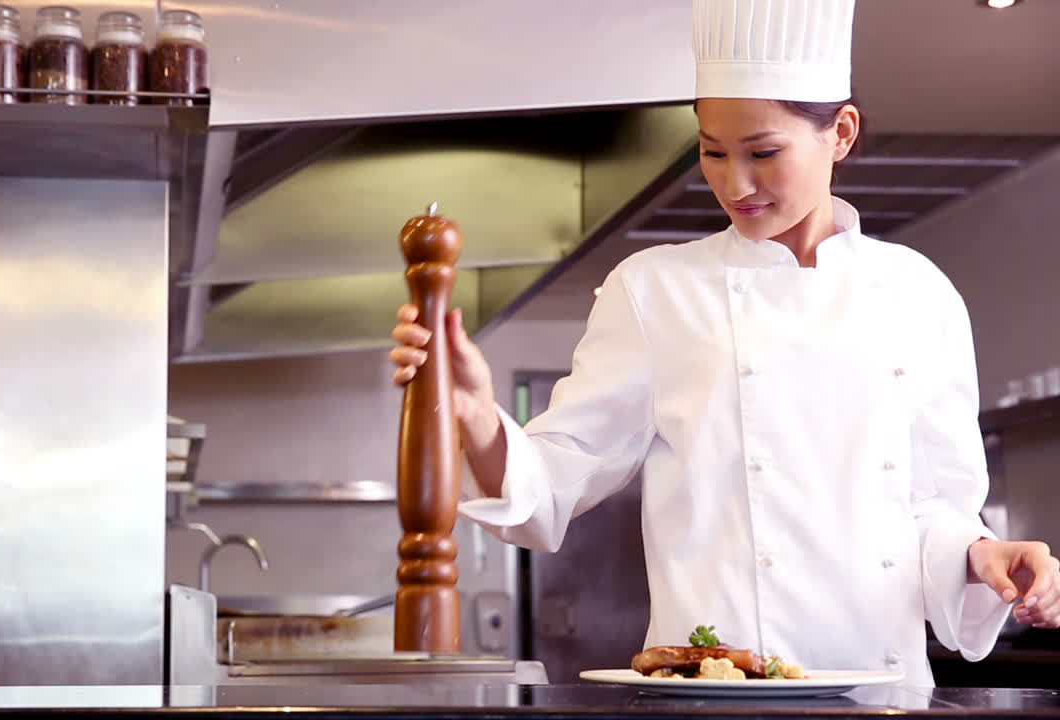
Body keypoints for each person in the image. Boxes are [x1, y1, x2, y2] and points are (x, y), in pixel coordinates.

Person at [389, 0, 1059, 687]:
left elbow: (931, 511)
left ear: (842, 133)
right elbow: (553, 484)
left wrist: (985, 554)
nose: (734, 184)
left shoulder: (920, 294)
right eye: (712, 152)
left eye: (763, 153)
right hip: (715, 695)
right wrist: (474, 413)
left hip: (883, 692)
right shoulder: (657, 291)